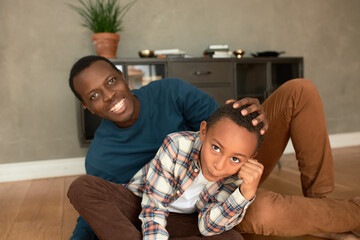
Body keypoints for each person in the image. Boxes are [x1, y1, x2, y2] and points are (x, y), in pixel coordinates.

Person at [68, 55, 360, 240]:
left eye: (111, 81)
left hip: (232, 158)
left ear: (122, 76)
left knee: (299, 91)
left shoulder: (170, 91)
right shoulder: (101, 158)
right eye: (95, 95)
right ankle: (335, 217)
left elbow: (223, 122)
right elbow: (100, 211)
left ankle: (323, 208)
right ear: (87, 106)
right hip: (195, 209)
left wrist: (254, 115)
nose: (110, 96)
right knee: (262, 213)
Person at [68, 104, 265, 239]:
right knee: (83, 187)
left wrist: (245, 194)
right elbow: (154, 208)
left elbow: (208, 226)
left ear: (251, 158)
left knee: (232, 238)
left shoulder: (241, 176)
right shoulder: (178, 144)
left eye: (235, 159)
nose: (220, 165)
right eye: (216, 148)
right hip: (139, 205)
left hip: (181, 222)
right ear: (203, 132)